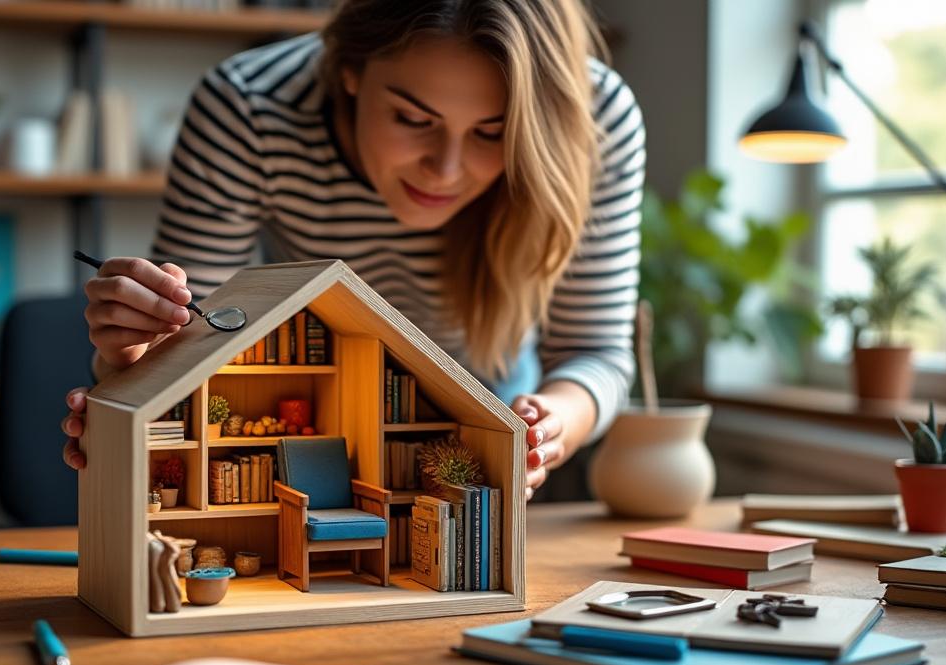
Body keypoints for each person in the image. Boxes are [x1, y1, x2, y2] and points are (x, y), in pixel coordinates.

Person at [62, 0, 644, 502]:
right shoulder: (249, 107)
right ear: (350, 72)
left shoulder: (592, 118)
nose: (445, 171)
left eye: (493, 133)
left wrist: (546, 427)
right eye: (413, 119)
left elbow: (594, 352)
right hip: (313, 420)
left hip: (484, 422)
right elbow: (193, 340)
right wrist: (136, 354)